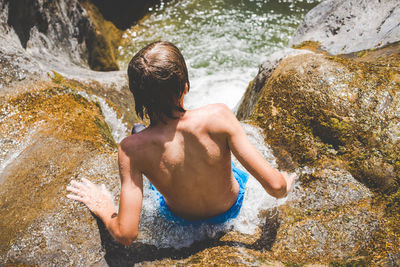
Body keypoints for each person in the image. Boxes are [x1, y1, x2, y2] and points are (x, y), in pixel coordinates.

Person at [66, 41, 296, 246]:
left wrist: (105, 208)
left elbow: (126, 234)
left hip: (180, 219)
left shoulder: (130, 150)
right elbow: (276, 188)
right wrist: (285, 179)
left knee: (138, 132)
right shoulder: (219, 116)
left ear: (137, 97)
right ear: (185, 86)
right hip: (231, 208)